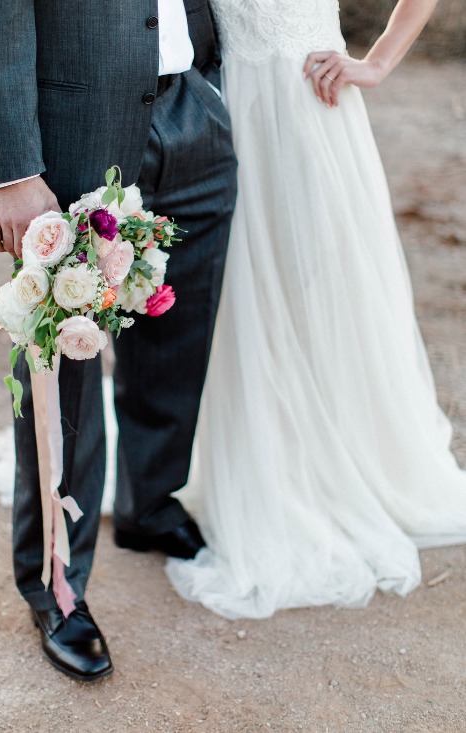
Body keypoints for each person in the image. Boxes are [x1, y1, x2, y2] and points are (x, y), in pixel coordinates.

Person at [0, 1, 237, 679]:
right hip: (76, 131)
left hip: (193, 106)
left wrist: (209, 78)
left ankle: (148, 501)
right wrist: (10, 170)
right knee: (64, 357)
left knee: (178, 322)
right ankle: (56, 586)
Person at [166, 0, 466, 619]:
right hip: (227, 106)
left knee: (323, 292)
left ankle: (336, 458)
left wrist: (377, 63)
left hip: (309, 102)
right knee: (240, 293)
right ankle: (255, 461)